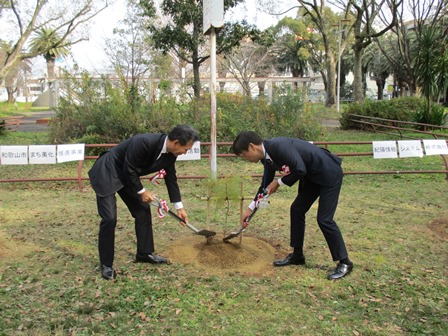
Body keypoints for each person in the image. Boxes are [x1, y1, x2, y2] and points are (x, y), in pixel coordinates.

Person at [232, 131, 353, 280]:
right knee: (297, 209)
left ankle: (345, 262)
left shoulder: (278, 146)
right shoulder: (267, 158)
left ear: (252, 147)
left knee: (324, 219)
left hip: (328, 173)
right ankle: (297, 255)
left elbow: (299, 169)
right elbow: (265, 186)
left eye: (243, 155)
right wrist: (250, 209)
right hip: (311, 177)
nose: (245, 158)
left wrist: (279, 182)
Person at [89, 125, 200, 280]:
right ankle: (106, 265)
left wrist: (179, 207)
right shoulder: (144, 142)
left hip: (128, 176)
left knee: (142, 210)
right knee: (109, 218)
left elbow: (171, 178)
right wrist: (142, 191)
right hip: (108, 171)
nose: (185, 152)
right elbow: (129, 167)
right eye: (186, 149)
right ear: (176, 143)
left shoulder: (170, 154)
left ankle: (144, 253)